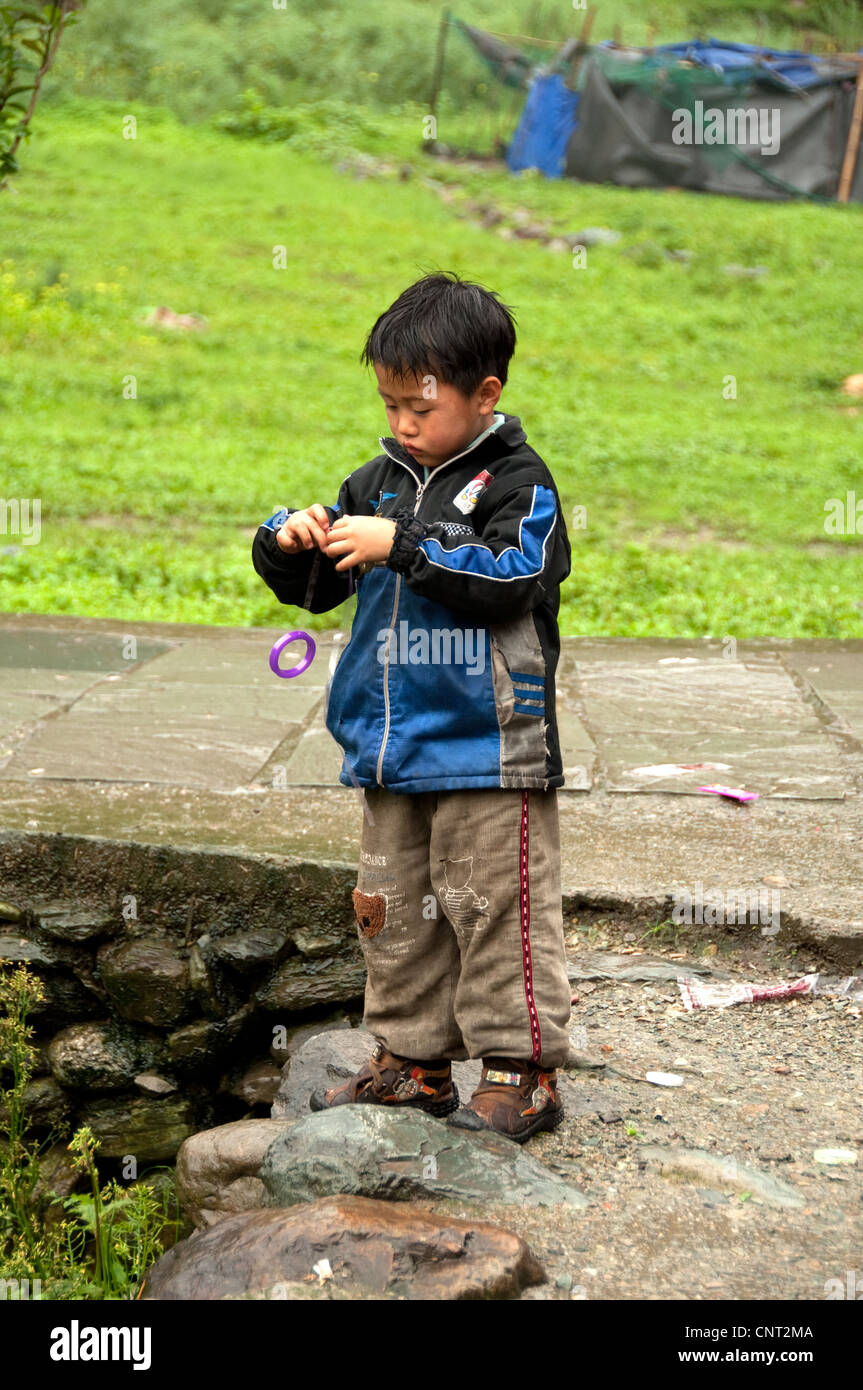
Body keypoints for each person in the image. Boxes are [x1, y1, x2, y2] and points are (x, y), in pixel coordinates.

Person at [251, 271, 572, 1142]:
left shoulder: (518, 483)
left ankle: (520, 1069)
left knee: (491, 905)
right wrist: (291, 542)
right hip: (391, 747)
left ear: (485, 394)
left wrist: (409, 545)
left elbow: (516, 577)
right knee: (391, 909)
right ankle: (412, 1063)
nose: (401, 423)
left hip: (485, 747)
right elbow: (319, 589)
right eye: (390, 403)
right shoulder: (376, 481)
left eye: (419, 406)